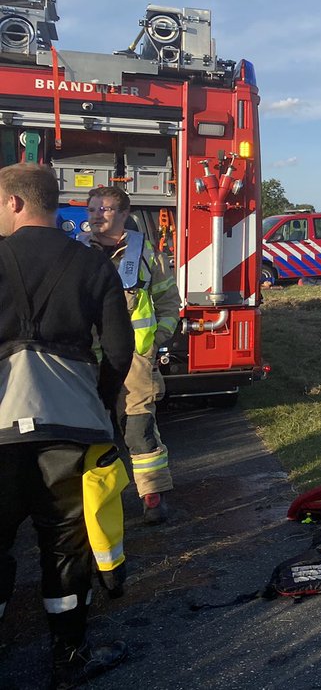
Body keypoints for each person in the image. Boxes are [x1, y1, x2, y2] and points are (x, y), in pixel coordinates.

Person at [0, 163, 134, 686]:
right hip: (71, 430)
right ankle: (69, 657)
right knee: (64, 547)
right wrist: (95, 402)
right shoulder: (92, 264)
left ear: (15, 202)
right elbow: (119, 351)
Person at [87, 186, 179, 525]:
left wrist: (156, 340)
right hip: (87, 359)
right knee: (88, 431)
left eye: (105, 209)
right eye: (92, 209)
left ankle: (153, 495)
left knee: (139, 428)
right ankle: (90, 500)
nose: (96, 215)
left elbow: (169, 302)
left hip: (134, 359)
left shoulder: (146, 253)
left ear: (124, 213)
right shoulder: (78, 252)